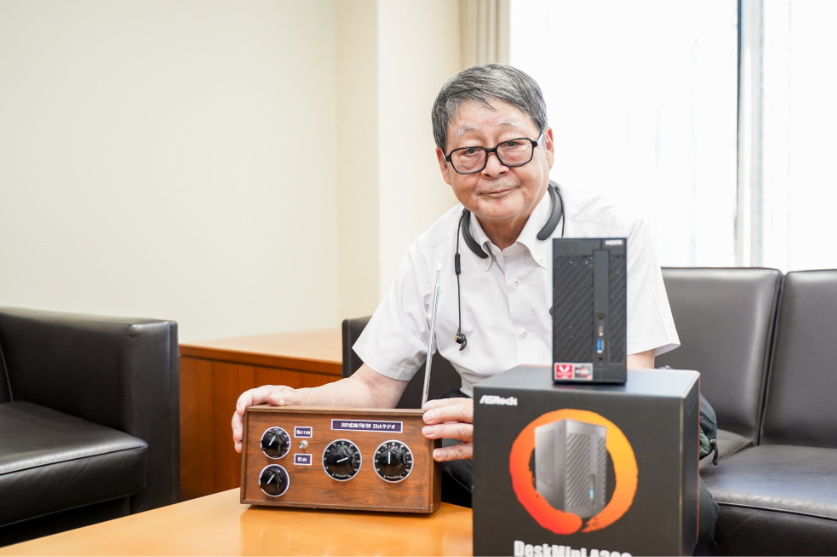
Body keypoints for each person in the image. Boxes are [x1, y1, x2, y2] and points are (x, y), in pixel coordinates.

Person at [232, 64, 712, 543]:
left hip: (600, 423)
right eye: (469, 151)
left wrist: (510, 423)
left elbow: (629, 389)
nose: (493, 167)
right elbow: (373, 388)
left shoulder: (603, 233)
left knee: (686, 513)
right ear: (444, 165)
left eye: (512, 144)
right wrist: (292, 401)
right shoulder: (432, 254)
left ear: (547, 145)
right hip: (482, 436)